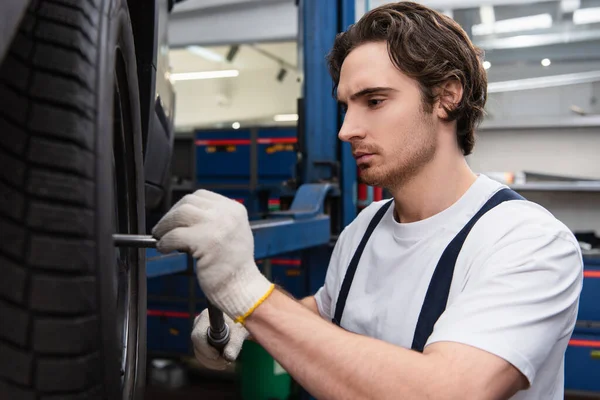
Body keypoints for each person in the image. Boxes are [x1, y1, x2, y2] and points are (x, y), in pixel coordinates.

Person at [152, 2, 584, 399]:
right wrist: (239, 320)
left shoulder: (529, 241)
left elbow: (449, 390)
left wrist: (246, 292)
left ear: (447, 96)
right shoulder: (366, 227)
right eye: (345, 107)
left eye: (374, 101)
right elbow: (326, 310)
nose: (347, 130)